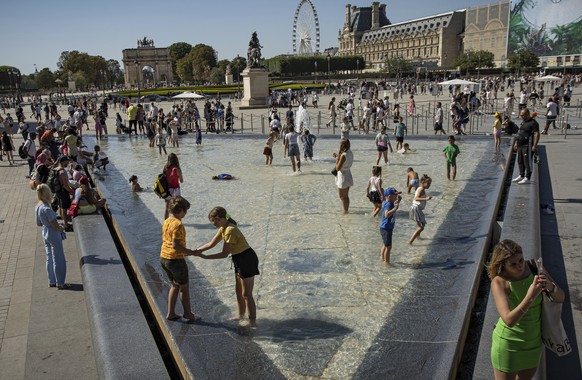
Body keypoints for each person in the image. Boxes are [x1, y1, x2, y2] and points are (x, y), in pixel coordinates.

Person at [488, 239, 564, 380]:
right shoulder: (499, 282)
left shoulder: (535, 267)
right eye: (513, 264)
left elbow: (561, 297)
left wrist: (549, 286)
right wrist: (531, 296)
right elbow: (509, 320)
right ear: (503, 265)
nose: (519, 266)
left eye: (521, 260)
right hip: (508, 345)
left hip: (533, 343)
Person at [195, 207, 260, 326]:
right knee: (238, 291)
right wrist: (194, 251)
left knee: (247, 294)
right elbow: (211, 244)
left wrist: (205, 257)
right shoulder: (223, 228)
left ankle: (252, 322)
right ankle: (241, 315)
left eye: (213, 221)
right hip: (238, 259)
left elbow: (224, 254)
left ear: (219, 219)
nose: (212, 224)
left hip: (247, 259)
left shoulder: (230, 230)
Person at [159, 196, 200, 322]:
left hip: (164, 257)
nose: (186, 213)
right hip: (175, 260)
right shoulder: (178, 224)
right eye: (185, 210)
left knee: (174, 285)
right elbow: (176, 246)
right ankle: (188, 314)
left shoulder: (167, 221)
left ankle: (171, 313)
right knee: (184, 288)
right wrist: (192, 252)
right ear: (180, 210)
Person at [35, 184, 68, 289]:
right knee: (58, 258)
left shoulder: (38, 207)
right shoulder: (47, 209)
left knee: (49, 257)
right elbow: (55, 226)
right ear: (47, 193)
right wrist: (63, 227)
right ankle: (60, 283)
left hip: (45, 232)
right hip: (53, 233)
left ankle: (51, 281)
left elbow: (39, 223)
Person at [512, 109, 539, 185]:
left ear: (527, 114)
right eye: (521, 115)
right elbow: (520, 133)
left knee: (527, 162)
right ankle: (521, 175)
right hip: (520, 144)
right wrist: (516, 143)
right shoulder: (524, 122)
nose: (521, 116)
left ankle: (527, 177)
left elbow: (536, 134)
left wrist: (535, 145)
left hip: (528, 145)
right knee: (520, 161)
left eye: (523, 115)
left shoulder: (533, 123)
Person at [408, 174, 432, 245]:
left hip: (417, 208)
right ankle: (410, 241)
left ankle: (418, 237)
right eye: (428, 184)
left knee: (419, 224)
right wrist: (426, 198)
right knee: (421, 227)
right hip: (416, 208)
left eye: (430, 184)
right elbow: (416, 198)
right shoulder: (421, 189)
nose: (429, 185)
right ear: (422, 182)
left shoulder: (422, 189)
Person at [380, 187, 402, 263]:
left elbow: (398, 199)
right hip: (386, 227)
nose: (396, 197)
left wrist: (398, 200)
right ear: (389, 196)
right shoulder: (388, 204)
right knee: (388, 247)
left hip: (386, 227)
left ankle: (382, 259)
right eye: (395, 196)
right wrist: (395, 208)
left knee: (385, 245)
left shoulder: (388, 202)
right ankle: (387, 263)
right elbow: (386, 215)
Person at [333, 139, 353, 214]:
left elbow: (338, 168)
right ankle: (346, 210)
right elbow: (344, 160)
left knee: (342, 196)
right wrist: (338, 156)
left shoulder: (343, 155)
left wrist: (337, 159)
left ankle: (345, 211)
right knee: (346, 195)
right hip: (348, 174)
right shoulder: (350, 153)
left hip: (343, 176)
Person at [164, 153, 183, 219]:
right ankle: (177, 223)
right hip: (176, 189)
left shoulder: (165, 167)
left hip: (167, 189)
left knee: (167, 208)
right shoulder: (177, 169)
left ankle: (165, 223)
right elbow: (181, 180)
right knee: (177, 207)